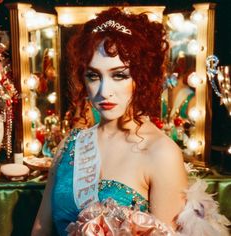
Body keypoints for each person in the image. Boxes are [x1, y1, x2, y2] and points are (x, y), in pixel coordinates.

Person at [32, 8, 229, 236]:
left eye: (119, 75)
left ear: (142, 76)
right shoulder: (72, 142)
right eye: (93, 76)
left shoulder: (161, 153)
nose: (105, 92)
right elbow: (40, 227)